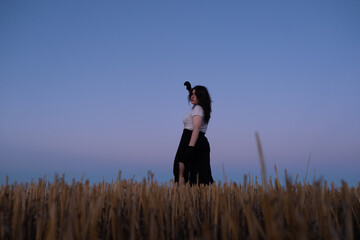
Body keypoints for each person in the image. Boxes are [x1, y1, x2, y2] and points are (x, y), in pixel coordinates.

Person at [173, 81, 214, 185]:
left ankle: (182, 196)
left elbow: (196, 127)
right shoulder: (200, 108)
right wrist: (190, 89)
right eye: (192, 94)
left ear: (201, 96)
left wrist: (190, 147)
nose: (192, 96)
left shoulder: (198, 109)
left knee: (185, 170)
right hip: (194, 139)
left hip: (192, 139)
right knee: (195, 172)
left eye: (195, 94)